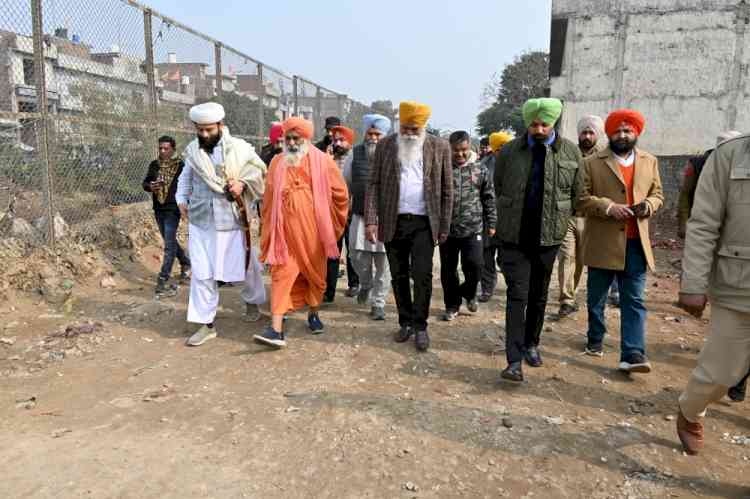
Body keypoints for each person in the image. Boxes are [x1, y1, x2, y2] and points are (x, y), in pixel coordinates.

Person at [494, 98, 582, 382]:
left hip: (549, 238)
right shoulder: (509, 152)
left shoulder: (570, 152)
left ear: (553, 122)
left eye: (544, 124)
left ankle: (532, 343)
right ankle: (514, 360)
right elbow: (499, 186)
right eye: (534, 124)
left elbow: (577, 195)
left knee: (539, 295)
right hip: (515, 237)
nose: (539, 129)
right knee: (516, 295)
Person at [675, 131, 750, 455]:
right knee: (721, 374)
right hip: (740, 285)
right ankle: (690, 411)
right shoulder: (731, 155)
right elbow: (703, 222)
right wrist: (693, 284)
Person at [577, 109, 663, 373]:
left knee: (634, 299)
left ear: (636, 133)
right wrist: (607, 207)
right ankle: (595, 338)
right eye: (618, 131)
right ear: (610, 134)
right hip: (603, 241)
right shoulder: (592, 163)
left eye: (628, 131)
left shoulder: (650, 161)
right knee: (596, 298)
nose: (623, 135)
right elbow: (580, 198)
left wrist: (649, 204)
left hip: (636, 242)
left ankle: (633, 353)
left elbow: (658, 193)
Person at [175, 102, 267, 346]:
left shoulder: (239, 148)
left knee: (244, 265)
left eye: (209, 130)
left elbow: (259, 172)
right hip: (201, 219)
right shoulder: (193, 151)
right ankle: (205, 324)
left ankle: (252, 302)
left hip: (233, 218)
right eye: (200, 130)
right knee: (202, 272)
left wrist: (243, 184)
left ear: (220, 126)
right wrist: (181, 199)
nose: (204, 135)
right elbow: (185, 178)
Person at [254, 117, 349, 348]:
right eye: (288, 138)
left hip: (312, 236)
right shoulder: (277, 162)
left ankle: (313, 314)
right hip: (284, 235)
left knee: (315, 277)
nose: (292, 142)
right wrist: (267, 226)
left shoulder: (323, 162)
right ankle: (276, 329)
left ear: (305, 139)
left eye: (297, 138)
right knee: (280, 276)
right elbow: (267, 198)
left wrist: (331, 225)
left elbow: (341, 194)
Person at [365, 101, 452, 352]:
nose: (410, 134)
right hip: (394, 221)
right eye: (406, 128)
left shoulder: (439, 147)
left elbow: (447, 189)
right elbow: (373, 184)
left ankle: (421, 326)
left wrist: (444, 225)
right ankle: (406, 322)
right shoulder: (385, 145)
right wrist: (372, 220)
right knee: (399, 274)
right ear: (399, 125)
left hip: (425, 223)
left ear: (423, 127)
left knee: (422, 275)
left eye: (415, 129)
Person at [440, 131, 497, 321]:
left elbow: (488, 197)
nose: (460, 154)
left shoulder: (480, 170)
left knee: (475, 265)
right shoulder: (442, 170)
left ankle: (469, 292)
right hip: (447, 231)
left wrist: (492, 222)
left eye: (464, 150)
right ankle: (452, 305)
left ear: (469, 147)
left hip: (473, 229)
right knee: (448, 270)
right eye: (456, 150)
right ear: (450, 149)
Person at [342, 114, 392, 320]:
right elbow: (345, 181)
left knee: (383, 263)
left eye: (377, 134)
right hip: (360, 215)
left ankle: (378, 302)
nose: (373, 138)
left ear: (384, 136)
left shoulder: (393, 156)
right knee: (356, 255)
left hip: (385, 218)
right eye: (370, 134)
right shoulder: (355, 154)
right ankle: (365, 283)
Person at [556, 115, 606, 318]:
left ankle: (572, 292)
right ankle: (566, 299)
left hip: (590, 218)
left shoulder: (604, 158)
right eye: (584, 132)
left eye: (590, 132)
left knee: (580, 260)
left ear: (597, 135)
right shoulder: (568, 153)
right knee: (566, 257)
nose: (586, 136)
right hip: (567, 215)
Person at [142, 135, 191, 297]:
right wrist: (151, 186)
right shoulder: (154, 165)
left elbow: (186, 186)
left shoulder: (180, 166)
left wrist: (185, 205)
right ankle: (185, 263)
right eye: (160, 148)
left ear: (173, 149)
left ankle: (162, 279)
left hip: (173, 208)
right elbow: (146, 183)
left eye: (166, 148)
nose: (163, 151)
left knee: (169, 245)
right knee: (169, 240)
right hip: (158, 208)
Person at [677, 130, 741, 239]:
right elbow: (685, 195)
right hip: (702, 221)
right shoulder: (698, 164)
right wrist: (683, 224)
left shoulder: (741, 166)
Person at [324, 125, 360, 301]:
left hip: (351, 212)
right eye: (335, 139)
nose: (337, 143)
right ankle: (328, 291)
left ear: (350, 142)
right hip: (332, 213)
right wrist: (328, 160)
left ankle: (354, 284)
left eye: (341, 140)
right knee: (332, 252)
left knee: (352, 250)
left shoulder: (356, 158)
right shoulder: (327, 158)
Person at [479, 131, 513, 302]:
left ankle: (513, 286)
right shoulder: (483, 165)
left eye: (506, 146)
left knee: (506, 257)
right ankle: (487, 289)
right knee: (486, 255)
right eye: (500, 148)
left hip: (509, 218)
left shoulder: (517, 165)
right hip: (487, 218)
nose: (503, 150)